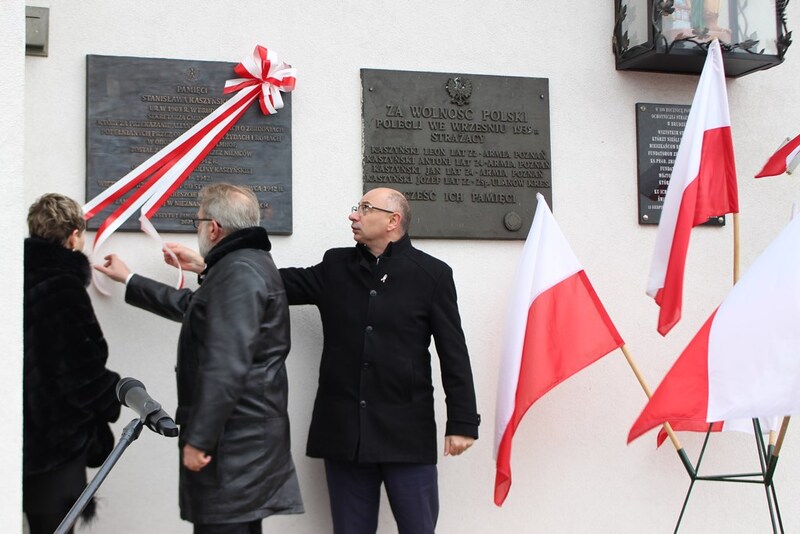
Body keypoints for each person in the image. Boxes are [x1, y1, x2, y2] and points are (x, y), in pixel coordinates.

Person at [165, 187, 480, 534]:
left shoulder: (432, 274)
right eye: (356, 207)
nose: (353, 215)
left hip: (406, 433)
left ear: (393, 221)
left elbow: (454, 351)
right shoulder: (336, 266)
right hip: (345, 434)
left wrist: (463, 422)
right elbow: (273, 283)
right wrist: (212, 264)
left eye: (364, 208)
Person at [95, 183, 303, 534]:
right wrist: (130, 279)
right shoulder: (244, 265)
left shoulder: (237, 273)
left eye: (198, 221)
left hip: (232, 448)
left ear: (215, 227)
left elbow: (227, 361)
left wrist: (200, 439)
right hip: (243, 443)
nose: (198, 228)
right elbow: (194, 308)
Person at [23, 193, 121, 534]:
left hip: (21, 433)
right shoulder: (64, 287)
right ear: (74, 235)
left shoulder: (15, 277)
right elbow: (82, 369)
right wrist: (112, 398)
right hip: (56, 439)